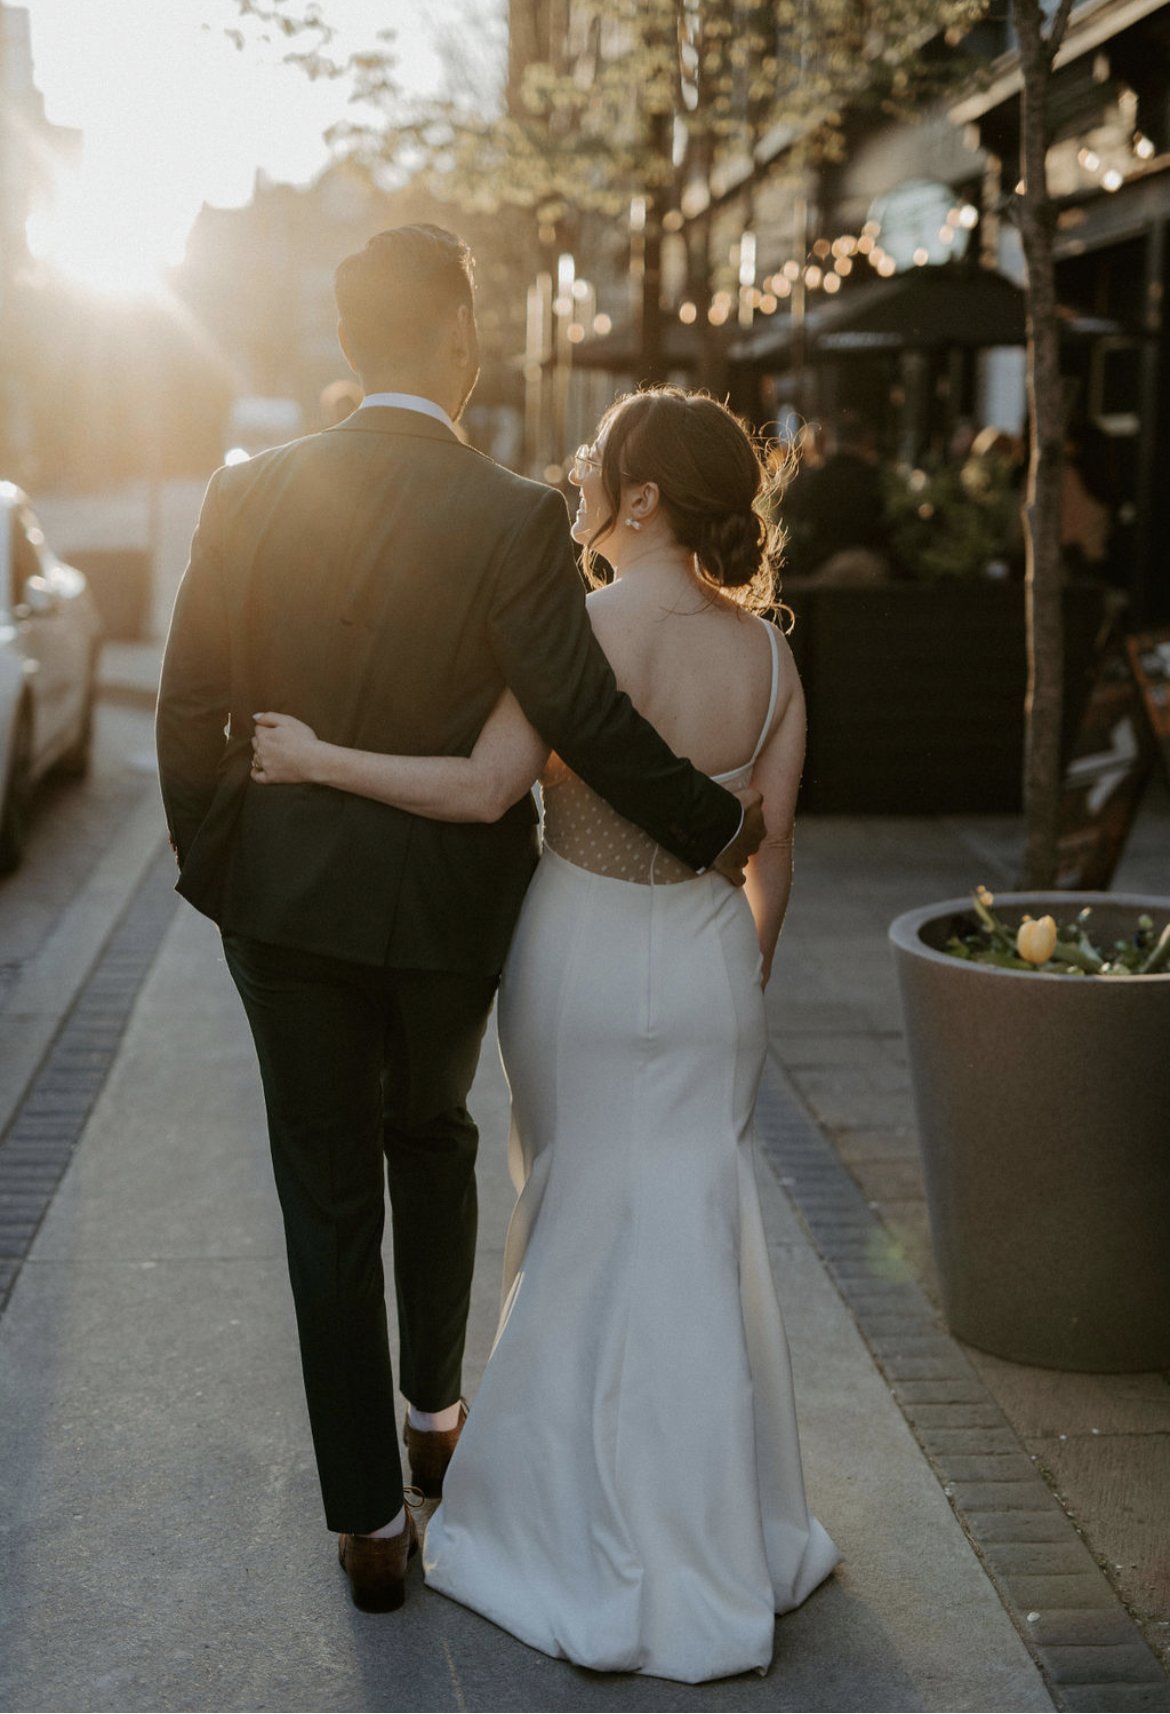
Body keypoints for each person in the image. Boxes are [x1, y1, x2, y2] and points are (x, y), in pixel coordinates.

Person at [154, 227, 762, 1617]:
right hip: (447, 912)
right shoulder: (509, 515)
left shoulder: (246, 493)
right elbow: (584, 713)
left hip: (283, 910)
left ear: (346, 339)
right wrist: (719, 828)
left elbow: (188, 707)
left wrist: (221, 871)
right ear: (459, 342)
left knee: (322, 1193)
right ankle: (436, 1413)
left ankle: (368, 1523)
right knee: (429, 1135)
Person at [250, 385, 841, 1684]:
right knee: (692, 1224)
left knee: (575, 1210)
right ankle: (716, 1532)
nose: (576, 469)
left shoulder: (578, 630)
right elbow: (771, 851)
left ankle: (570, 1526)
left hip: (573, 954)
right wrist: (739, 978)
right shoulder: (770, 658)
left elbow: (476, 791)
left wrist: (314, 758)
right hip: (705, 967)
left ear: (637, 497)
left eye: (597, 458)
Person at [783, 408, 889, 581]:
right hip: (869, 567)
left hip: (823, 568)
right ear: (867, 441)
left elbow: (798, 522)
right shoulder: (876, 478)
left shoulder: (816, 478)